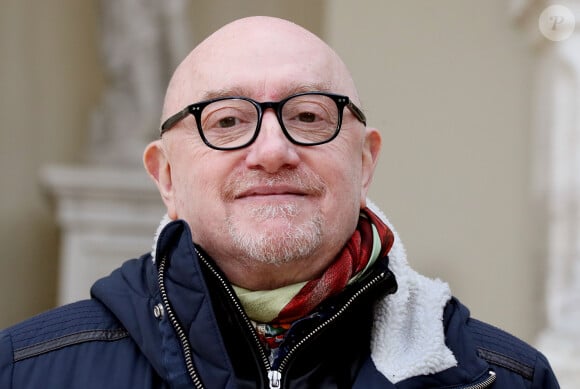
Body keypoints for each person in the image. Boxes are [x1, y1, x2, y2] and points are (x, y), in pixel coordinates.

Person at [0, 16, 559, 389]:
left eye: (309, 116)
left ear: (364, 162)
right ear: (166, 175)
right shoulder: (26, 371)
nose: (272, 150)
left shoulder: (505, 379)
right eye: (226, 120)